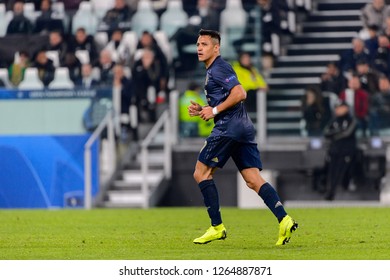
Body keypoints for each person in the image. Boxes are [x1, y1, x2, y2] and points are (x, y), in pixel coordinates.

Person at [188, 29, 298, 246]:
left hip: (229, 128)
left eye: (204, 44)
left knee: (201, 173)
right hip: (242, 127)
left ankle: (217, 227)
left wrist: (215, 111)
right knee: (252, 179)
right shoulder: (214, 70)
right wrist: (206, 109)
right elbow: (227, 98)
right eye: (198, 44)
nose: (199, 48)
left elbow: (240, 93)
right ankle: (284, 219)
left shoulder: (220, 67)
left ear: (216, 48)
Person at [323, 101, 358, 201]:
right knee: (332, 172)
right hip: (334, 151)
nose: (337, 110)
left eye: (340, 107)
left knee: (342, 172)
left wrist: (334, 135)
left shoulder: (351, 120)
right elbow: (326, 132)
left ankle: (339, 193)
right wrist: (338, 132)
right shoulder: (334, 120)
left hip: (346, 151)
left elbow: (347, 133)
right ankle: (330, 192)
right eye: (336, 108)